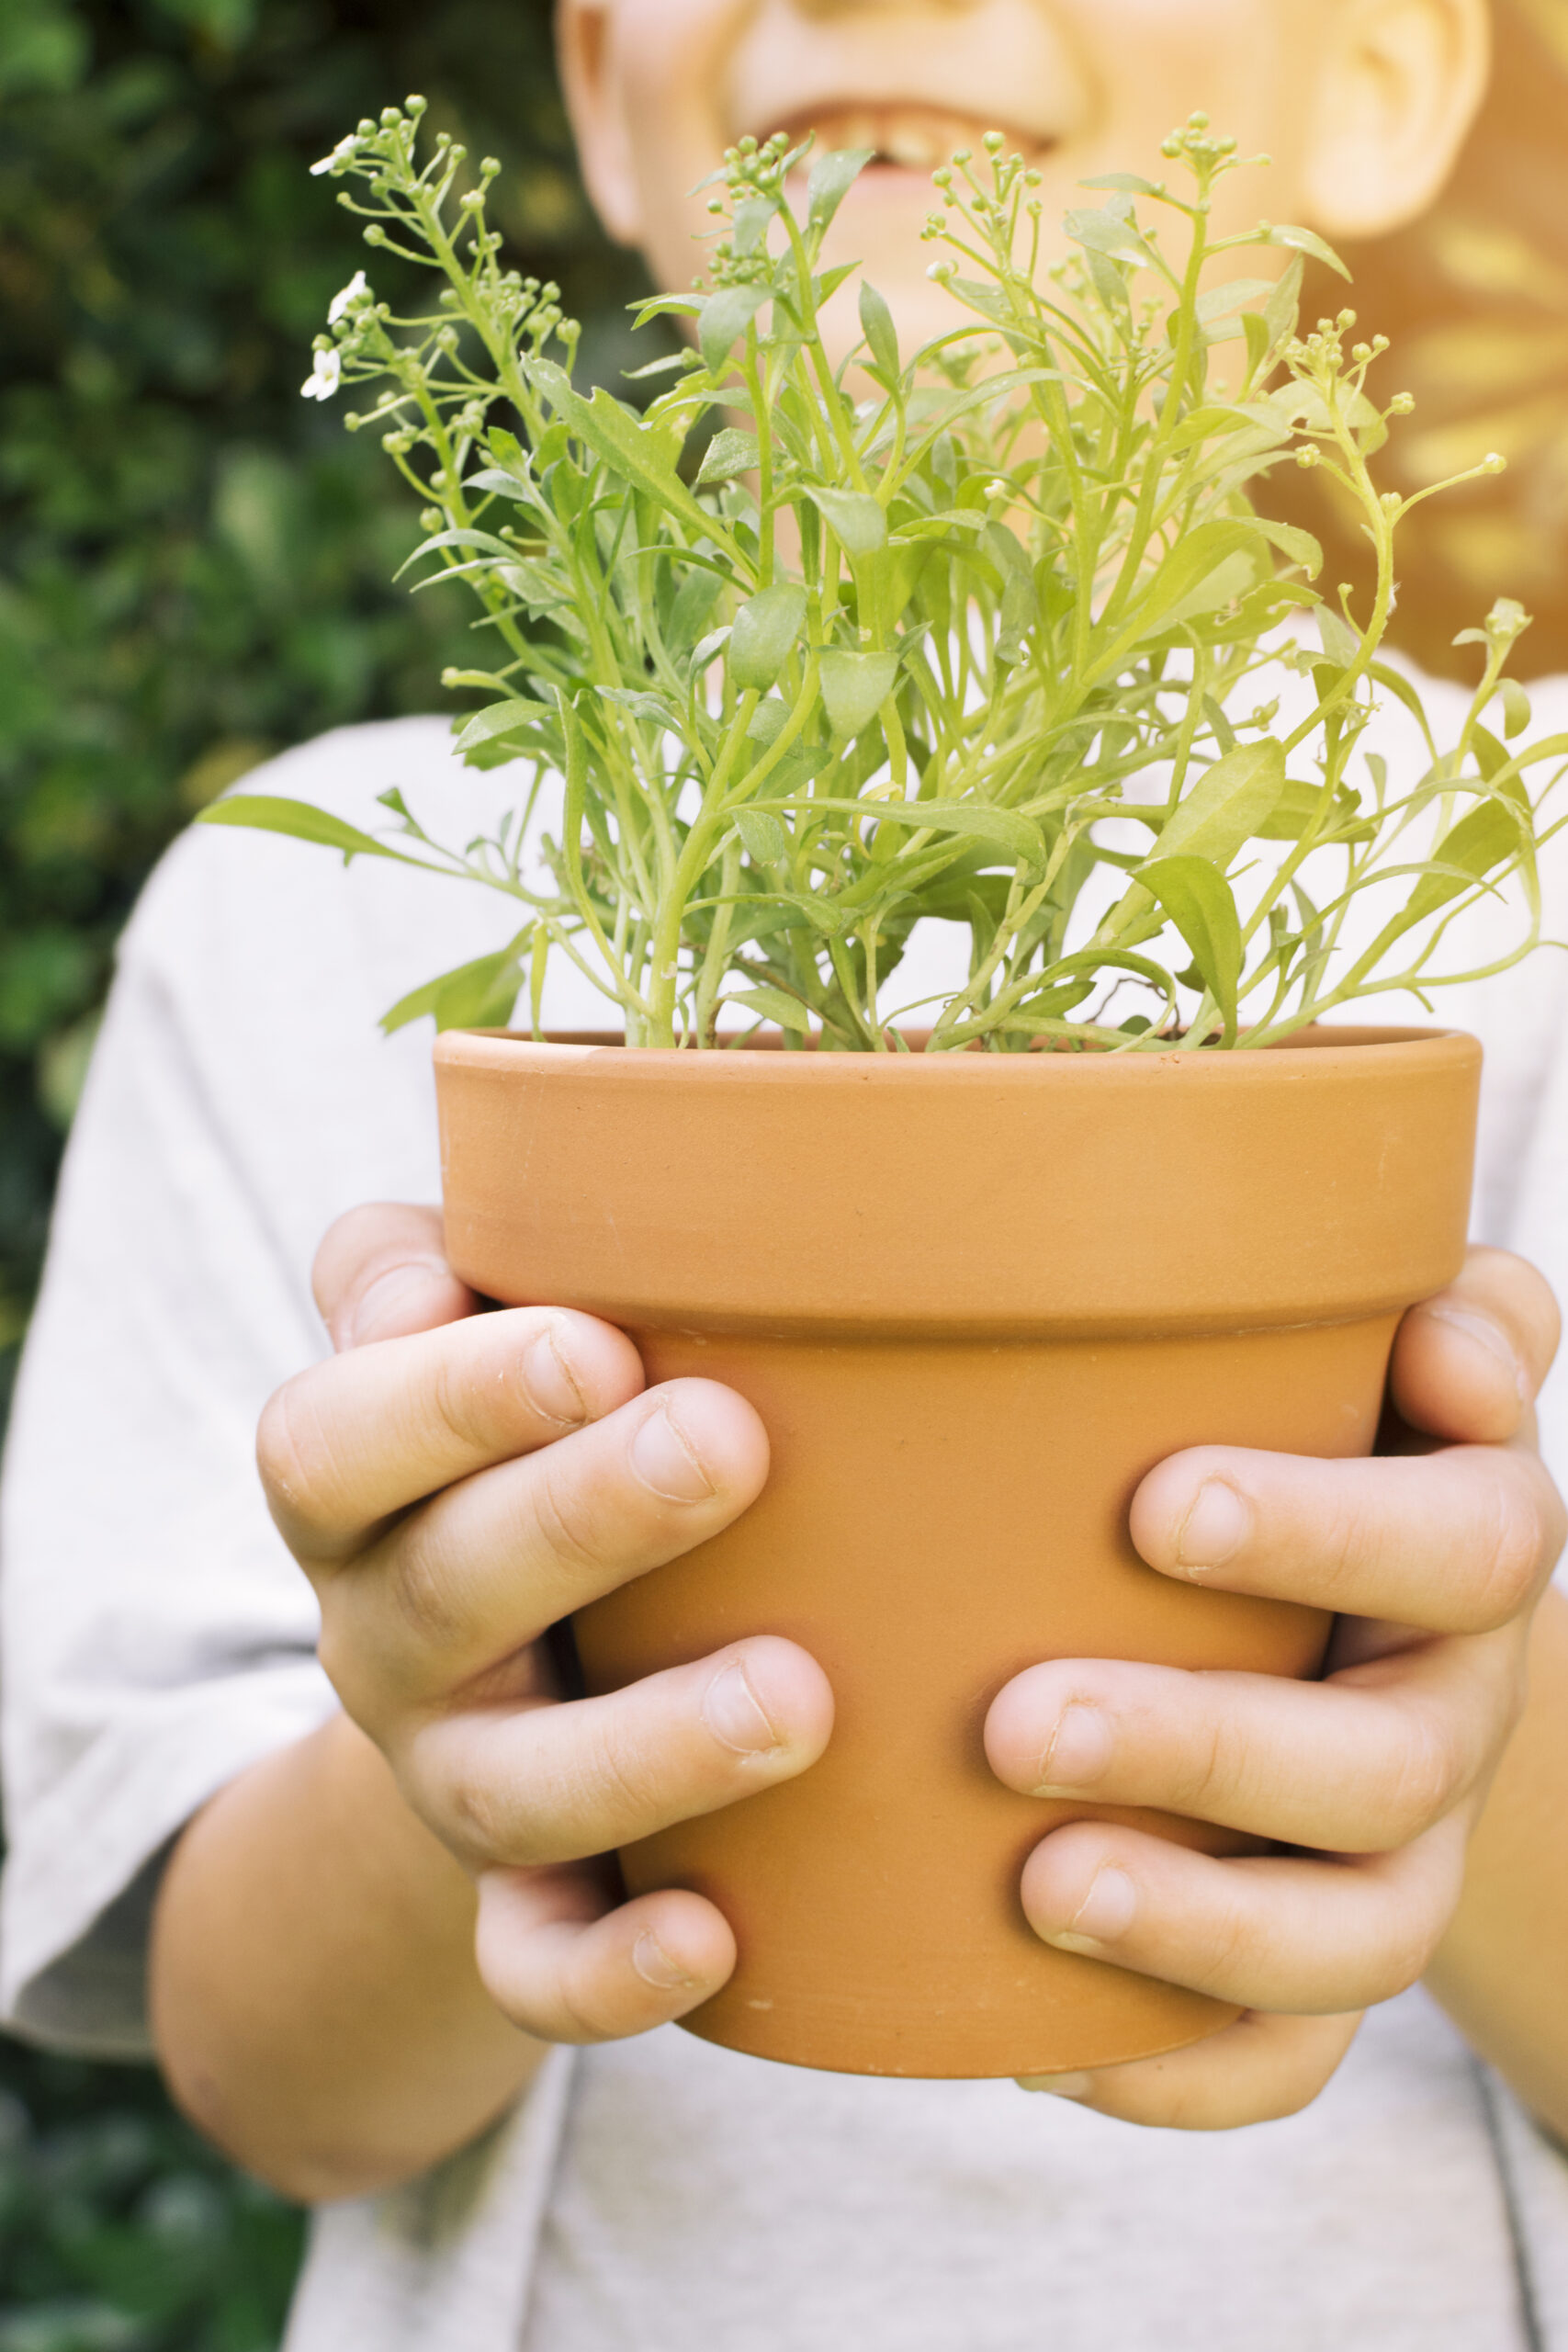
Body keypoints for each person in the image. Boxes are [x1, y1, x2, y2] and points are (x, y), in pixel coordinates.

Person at [6, 3, 1568, 2346]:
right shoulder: (305, 907)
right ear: (610, 98)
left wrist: (1469, 1696)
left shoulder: (1510, 850)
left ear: (1384, 80)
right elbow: (260, 2065)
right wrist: (459, 1728)